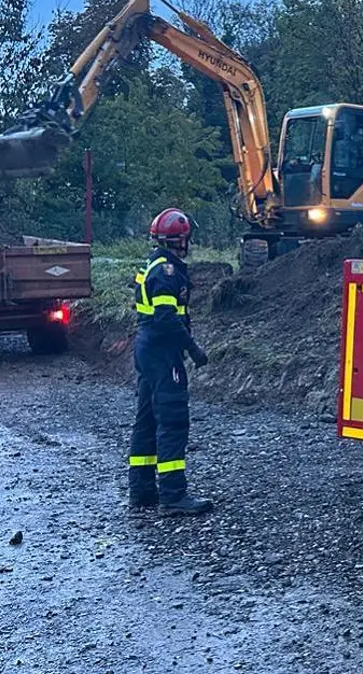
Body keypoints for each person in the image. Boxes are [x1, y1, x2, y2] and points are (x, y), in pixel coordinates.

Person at [127, 207, 213, 516]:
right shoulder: (167, 272)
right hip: (163, 352)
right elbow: (166, 318)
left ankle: (141, 490)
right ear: (180, 240)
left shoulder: (153, 264)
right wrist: (193, 349)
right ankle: (173, 495)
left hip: (147, 347)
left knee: (147, 420)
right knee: (173, 420)